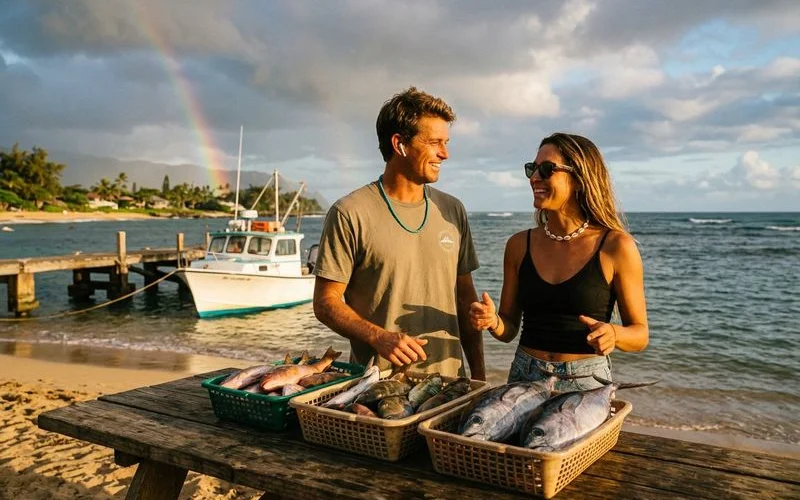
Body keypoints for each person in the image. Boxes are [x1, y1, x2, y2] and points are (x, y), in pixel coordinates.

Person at [313, 87, 485, 380]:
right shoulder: (349, 212)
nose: (445, 153)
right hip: (376, 388)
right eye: (434, 143)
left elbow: (465, 301)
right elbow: (326, 302)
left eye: (446, 142)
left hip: (450, 386)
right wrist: (378, 337)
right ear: (400, 144)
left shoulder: (452, 210)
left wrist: (479, 378)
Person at [469, 132, 648, 390]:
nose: (534, 177)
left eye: (546, 169)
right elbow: (509, 328)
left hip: (585, 381)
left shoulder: (615, 246)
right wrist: (492, 321)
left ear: (579, 178)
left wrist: (614, 334)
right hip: (524, 375)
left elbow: (640, 334)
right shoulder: (519, 245)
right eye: (532, 168)